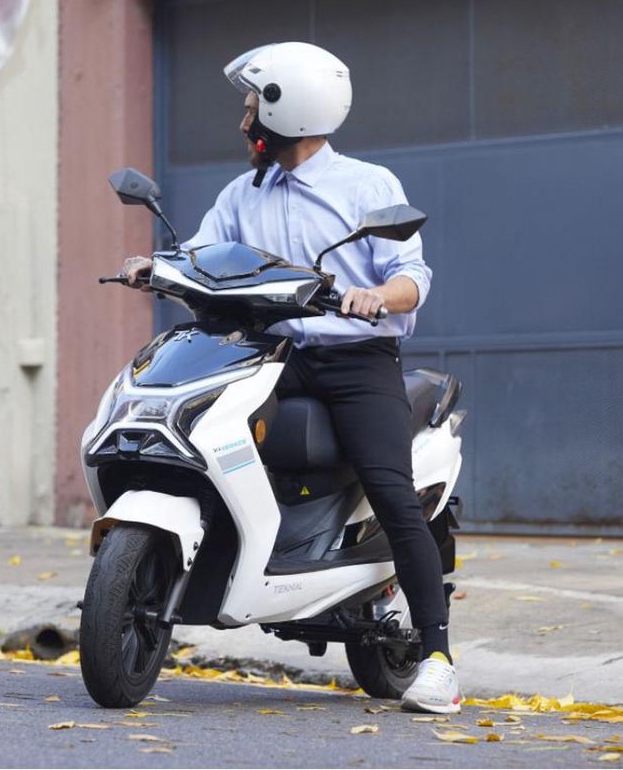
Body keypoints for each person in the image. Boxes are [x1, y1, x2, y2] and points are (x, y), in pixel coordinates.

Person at [120, 42, 460, 714]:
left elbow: (411, 277)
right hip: (271, 353)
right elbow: (202, 254)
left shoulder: (367, 187)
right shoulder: (242, 192)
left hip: (356, 359)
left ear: (285, 111)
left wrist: (376, 297)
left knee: (393, 493)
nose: (244, 122)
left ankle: (438, 659)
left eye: (251, 108)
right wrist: (153, 265)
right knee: (206, 443)